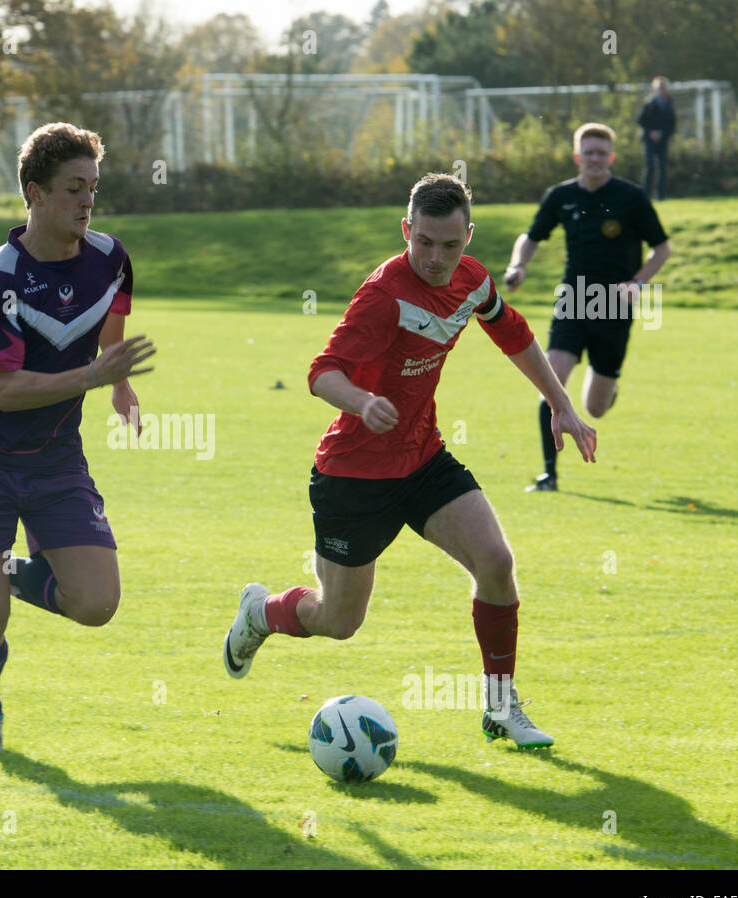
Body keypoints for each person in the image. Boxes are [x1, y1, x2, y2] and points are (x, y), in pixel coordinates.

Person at [221, 173, 598, 749]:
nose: (435, 258)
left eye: (450, 245)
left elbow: (512, 332)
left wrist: (562, 404)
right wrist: (363, 401)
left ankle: (500, 705)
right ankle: (262, 612)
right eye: (424, 242)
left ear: (468, 237)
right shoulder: (383, 295)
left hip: (423, 459)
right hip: (352, 476)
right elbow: (322, 373)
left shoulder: (471, 280)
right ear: (407, 231)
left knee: (496, 563)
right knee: (339, 621)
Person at [0, 122, 155, 753]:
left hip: (56, 458)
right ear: (34, 193)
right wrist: (95, 376)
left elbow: (111, 318)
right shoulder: (0, 277)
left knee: (96, 603)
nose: (86, 201)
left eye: (92, 187)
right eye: (71, 189)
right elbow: (3, 390)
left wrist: (119, 384)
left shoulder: (111, 257)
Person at [504, 122, 670, 492]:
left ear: (610, 157)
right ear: (577, 157)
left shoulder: (631, 197)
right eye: (588, 153)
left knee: (595, 407)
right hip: (573, 299)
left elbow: (662, 248)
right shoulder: (560, 196)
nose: (594, 159)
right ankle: (550, 474)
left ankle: (608, 394)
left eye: (601, 153)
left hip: (614, 307)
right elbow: (531, 237)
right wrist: (518, 265)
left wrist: (638, 282)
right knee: (552, 384)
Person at [636, 77, 675, 201]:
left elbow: (672, 123)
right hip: (649, 139)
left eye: (664, 87)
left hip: (662, 140)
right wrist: (651, 132)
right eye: (660, 88)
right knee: (650, 166)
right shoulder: (649, 103)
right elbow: (641, 120)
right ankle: (646, 195)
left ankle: (660, 196)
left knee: (662, 167)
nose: (662, 90)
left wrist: (663, 134)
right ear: (655, 89)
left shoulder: (669, 103)